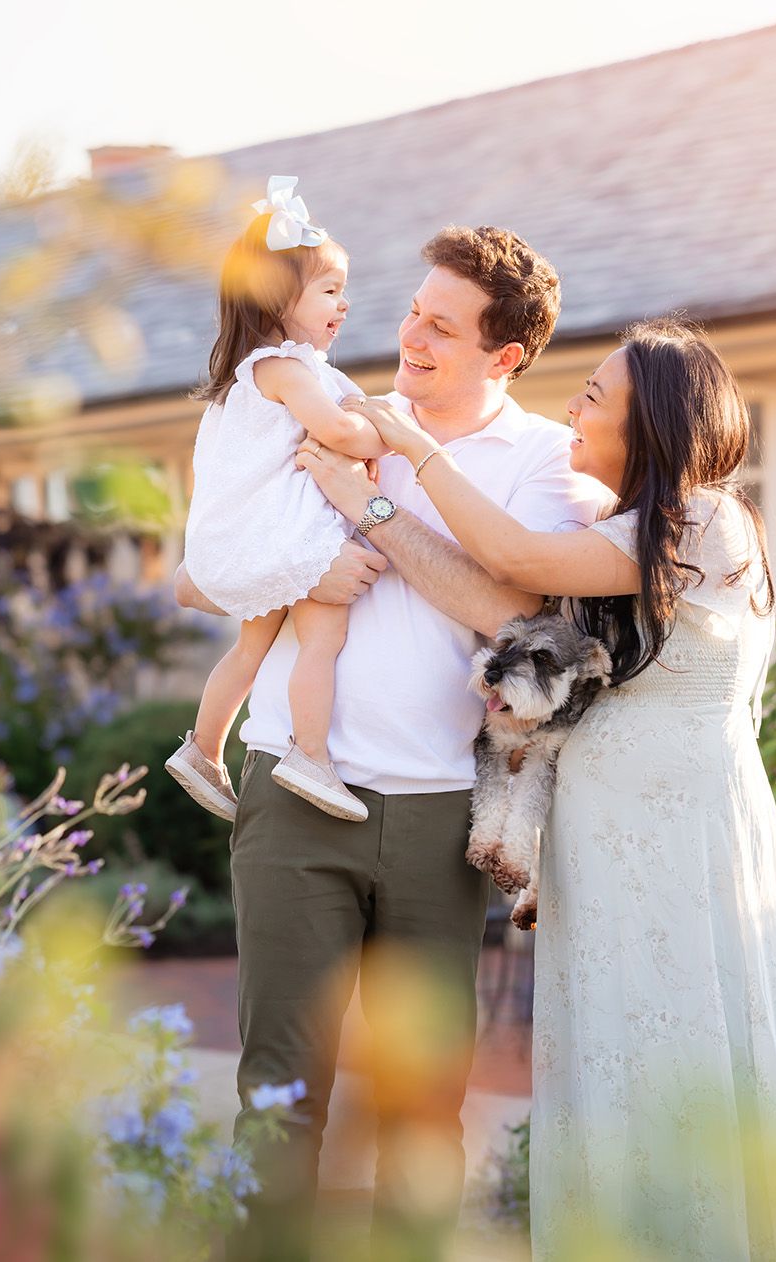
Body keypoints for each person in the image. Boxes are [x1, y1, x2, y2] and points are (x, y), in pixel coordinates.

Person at [327, 317, 776, 1259]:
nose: (572, 408)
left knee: (685, 1041)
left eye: (596, 398)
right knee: (616, 1056)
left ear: (650, 424)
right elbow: (500, 605)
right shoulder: (622, 542)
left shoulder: (705, 521)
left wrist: (410, 444)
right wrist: (372, 512)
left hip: (683, 845)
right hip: (600, 849)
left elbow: (518, 563)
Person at [173, 225, 611, 1259]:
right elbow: (199, 568)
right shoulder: (330, 405)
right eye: (413, 309)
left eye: (441, 327)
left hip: (429, 820)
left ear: (503, 356)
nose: (409, 334)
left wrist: (363, 511)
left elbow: (506, 605)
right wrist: (297, 574)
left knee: (421, 1113)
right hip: (292, 791)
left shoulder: (540, 458)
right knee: (278, 1096)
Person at [166, 175, 388, 823]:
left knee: (251, 649)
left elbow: (342, 402)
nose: (343, 304)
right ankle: (310, 755)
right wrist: (392, 434)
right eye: (330, 291)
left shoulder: (284, 369)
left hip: (264, 536)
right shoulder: (284, 368)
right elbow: (342, 429)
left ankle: (204, 747)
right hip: (293, 539)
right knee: (325, 635)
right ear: (277, 300)